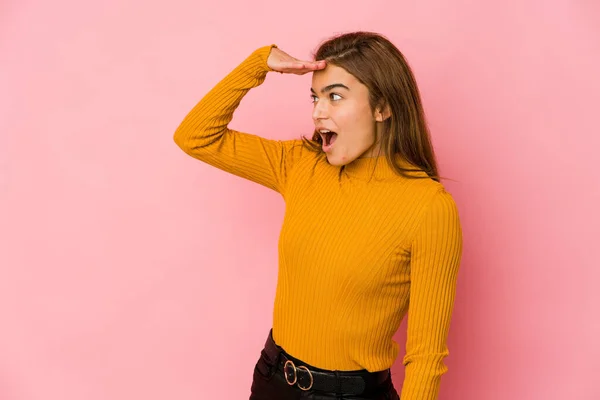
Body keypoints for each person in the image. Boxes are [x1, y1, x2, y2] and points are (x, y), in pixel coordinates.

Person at [173, 31, 463, 400]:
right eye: (315, 97)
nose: (318, 111)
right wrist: (258, 64)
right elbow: (195, 137)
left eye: (335, 96)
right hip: (272, 380)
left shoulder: (429, 207)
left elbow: (426, 358)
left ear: (382, 108)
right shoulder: (299, 164)